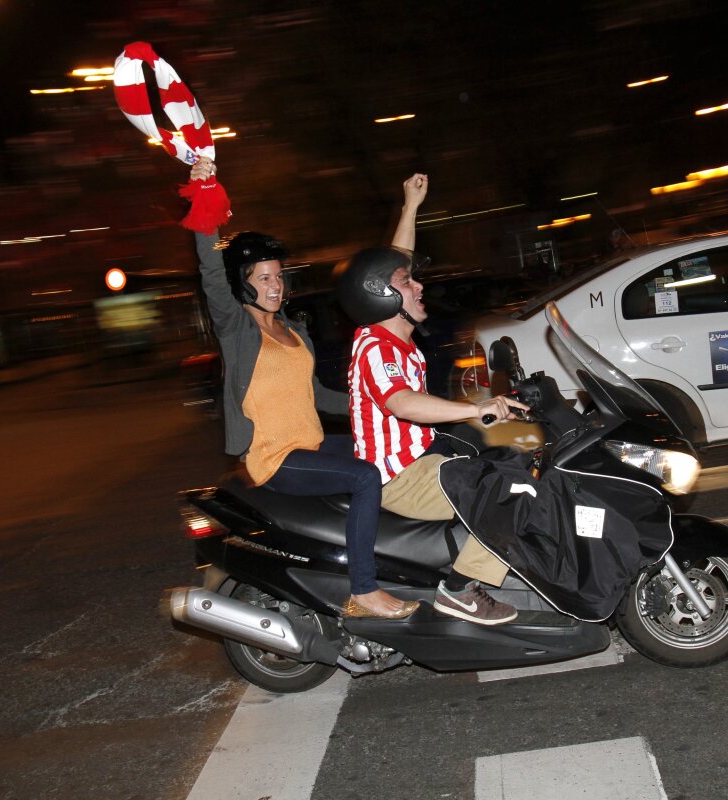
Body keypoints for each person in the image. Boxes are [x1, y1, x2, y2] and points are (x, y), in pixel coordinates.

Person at [187, 157, 419, 620]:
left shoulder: (294, 330)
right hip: (275, 458)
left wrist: (384, 406)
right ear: (243, 285)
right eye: (264, 278)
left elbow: (317, 396)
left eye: (279, 276)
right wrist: (204, 197)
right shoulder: (238, 329)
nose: (276, 285)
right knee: (364, 476)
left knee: (385, 453)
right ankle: (364, 589)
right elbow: (210, 271)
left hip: (310, 445)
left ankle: (398, 556)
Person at [338, 174, 529, 626]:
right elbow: (402, 403)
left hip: (424, 460)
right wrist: (477, 408)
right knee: (509, 493)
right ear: (383, 295)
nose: (419, 287)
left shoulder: (395, 340)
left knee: (516, 462)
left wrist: (410, 205)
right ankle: (461, 590)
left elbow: (393, 265)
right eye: (408, 283)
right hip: (400, 477)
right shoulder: (376, 346)